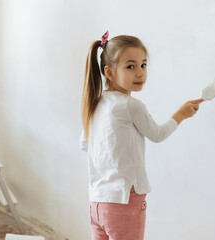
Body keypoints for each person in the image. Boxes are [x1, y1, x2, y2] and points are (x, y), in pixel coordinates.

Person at [79, 30, 204, 240]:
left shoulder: (95, 104)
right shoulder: (130, 105)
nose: (140, 73)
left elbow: (86, 144)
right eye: (131, 66)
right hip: (125, 201)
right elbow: (157, 134)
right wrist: (181, 114)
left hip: (97, 203)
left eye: (143, 65)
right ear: (109, 73)